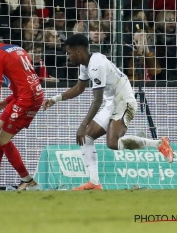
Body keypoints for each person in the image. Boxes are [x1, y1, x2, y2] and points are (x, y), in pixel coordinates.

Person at [43, 34, 174, 191]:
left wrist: (83, 124)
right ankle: (94, 183)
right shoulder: (85, 65)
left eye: (69, 52)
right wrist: (55, 99)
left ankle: (159, 144)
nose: (68, 56)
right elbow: (79, 88)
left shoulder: (96, 65)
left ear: (78, 51)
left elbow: (97, 100)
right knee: (87, 138)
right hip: (112, 102)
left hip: (124, 101)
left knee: (112, 143)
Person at [0, 31, 44, 190]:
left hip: (27, 99)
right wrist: (7, 101)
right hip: (27, 94)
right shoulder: (15, 48)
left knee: (2, 139)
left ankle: (28, 180)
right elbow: (25, 81)